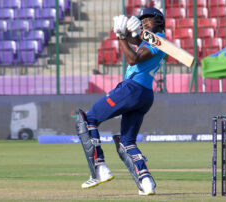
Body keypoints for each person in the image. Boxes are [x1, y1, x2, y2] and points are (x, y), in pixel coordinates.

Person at [74, 7, 166, 196]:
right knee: (127, 141)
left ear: (158, 21)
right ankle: (146, 182)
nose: (144, 22)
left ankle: (99, 169)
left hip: (132, 89)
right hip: (145, 95)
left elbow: (132, 59)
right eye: (143, 20)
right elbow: (137, 41)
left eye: (148, 19)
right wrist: (127, 32)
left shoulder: (158, 40)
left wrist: (121, 36)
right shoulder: (154, 40)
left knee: (87, 119)